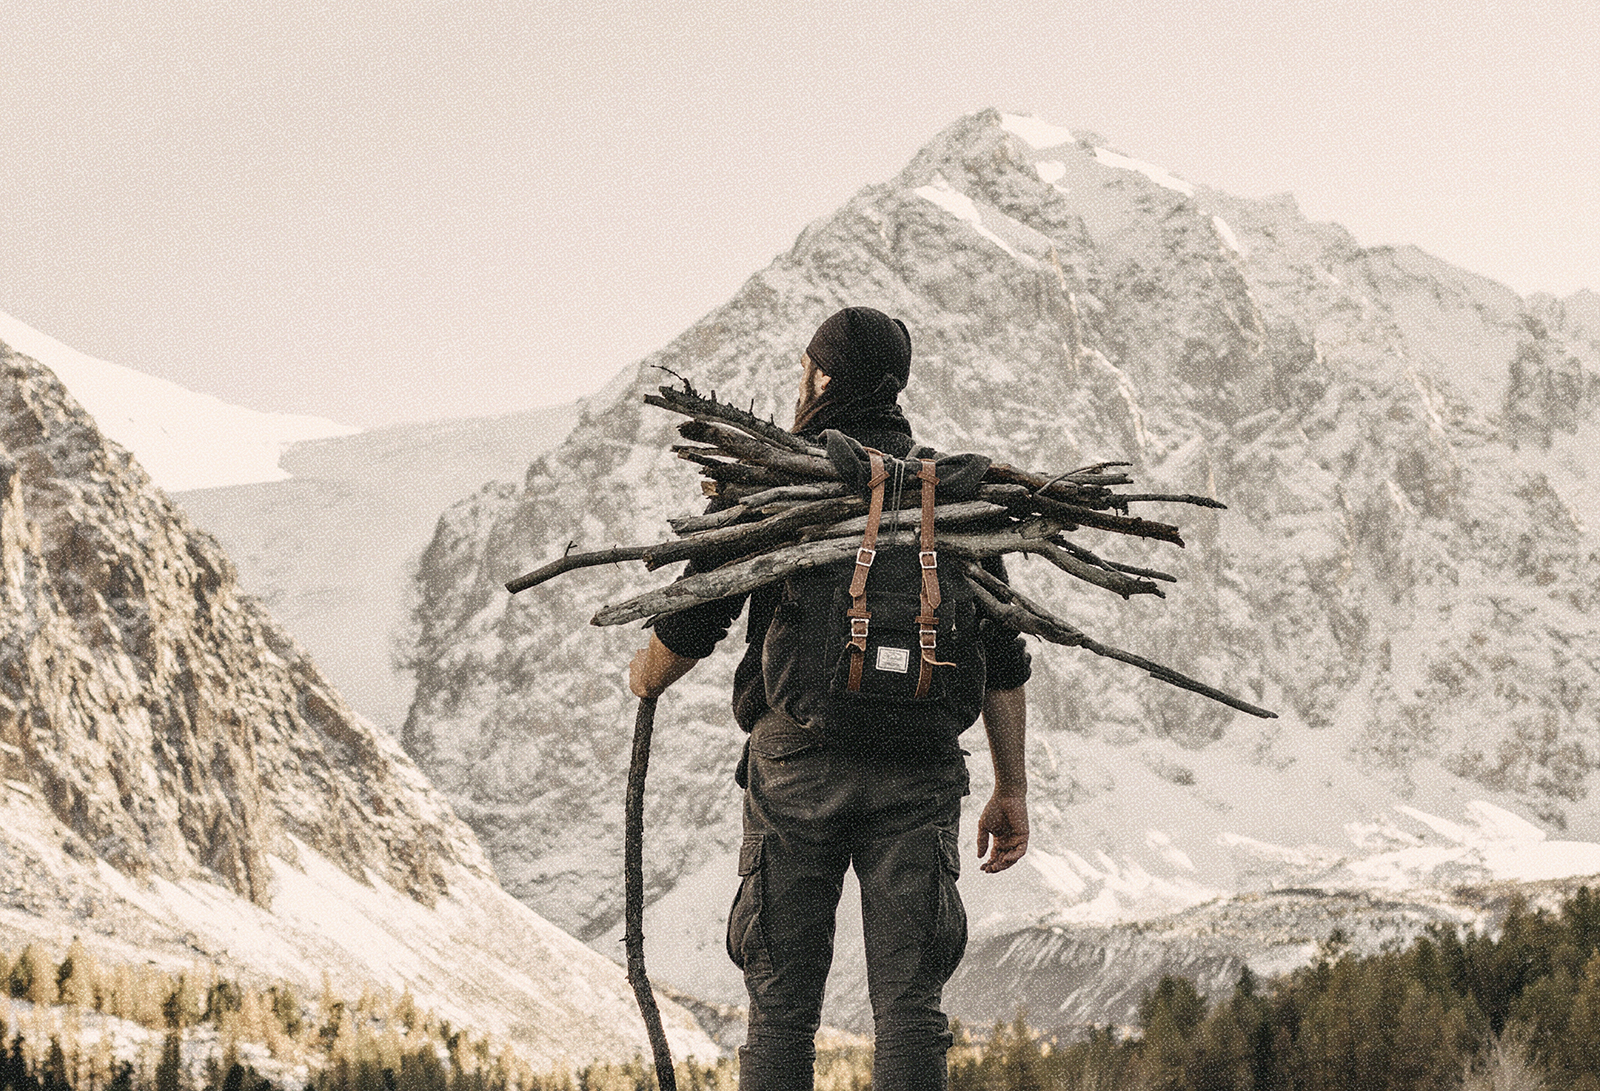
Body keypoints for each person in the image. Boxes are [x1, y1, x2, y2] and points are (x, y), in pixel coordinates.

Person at [628, 306, 1031, 1091]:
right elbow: (1002, 655)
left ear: (820, 376)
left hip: (795, 773)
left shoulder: (782, 481)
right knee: (912, 1009)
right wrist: (1011, 786)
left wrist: (644, 672)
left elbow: (693, 617)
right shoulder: (942, 494)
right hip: (918, 775)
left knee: (782, 1014)